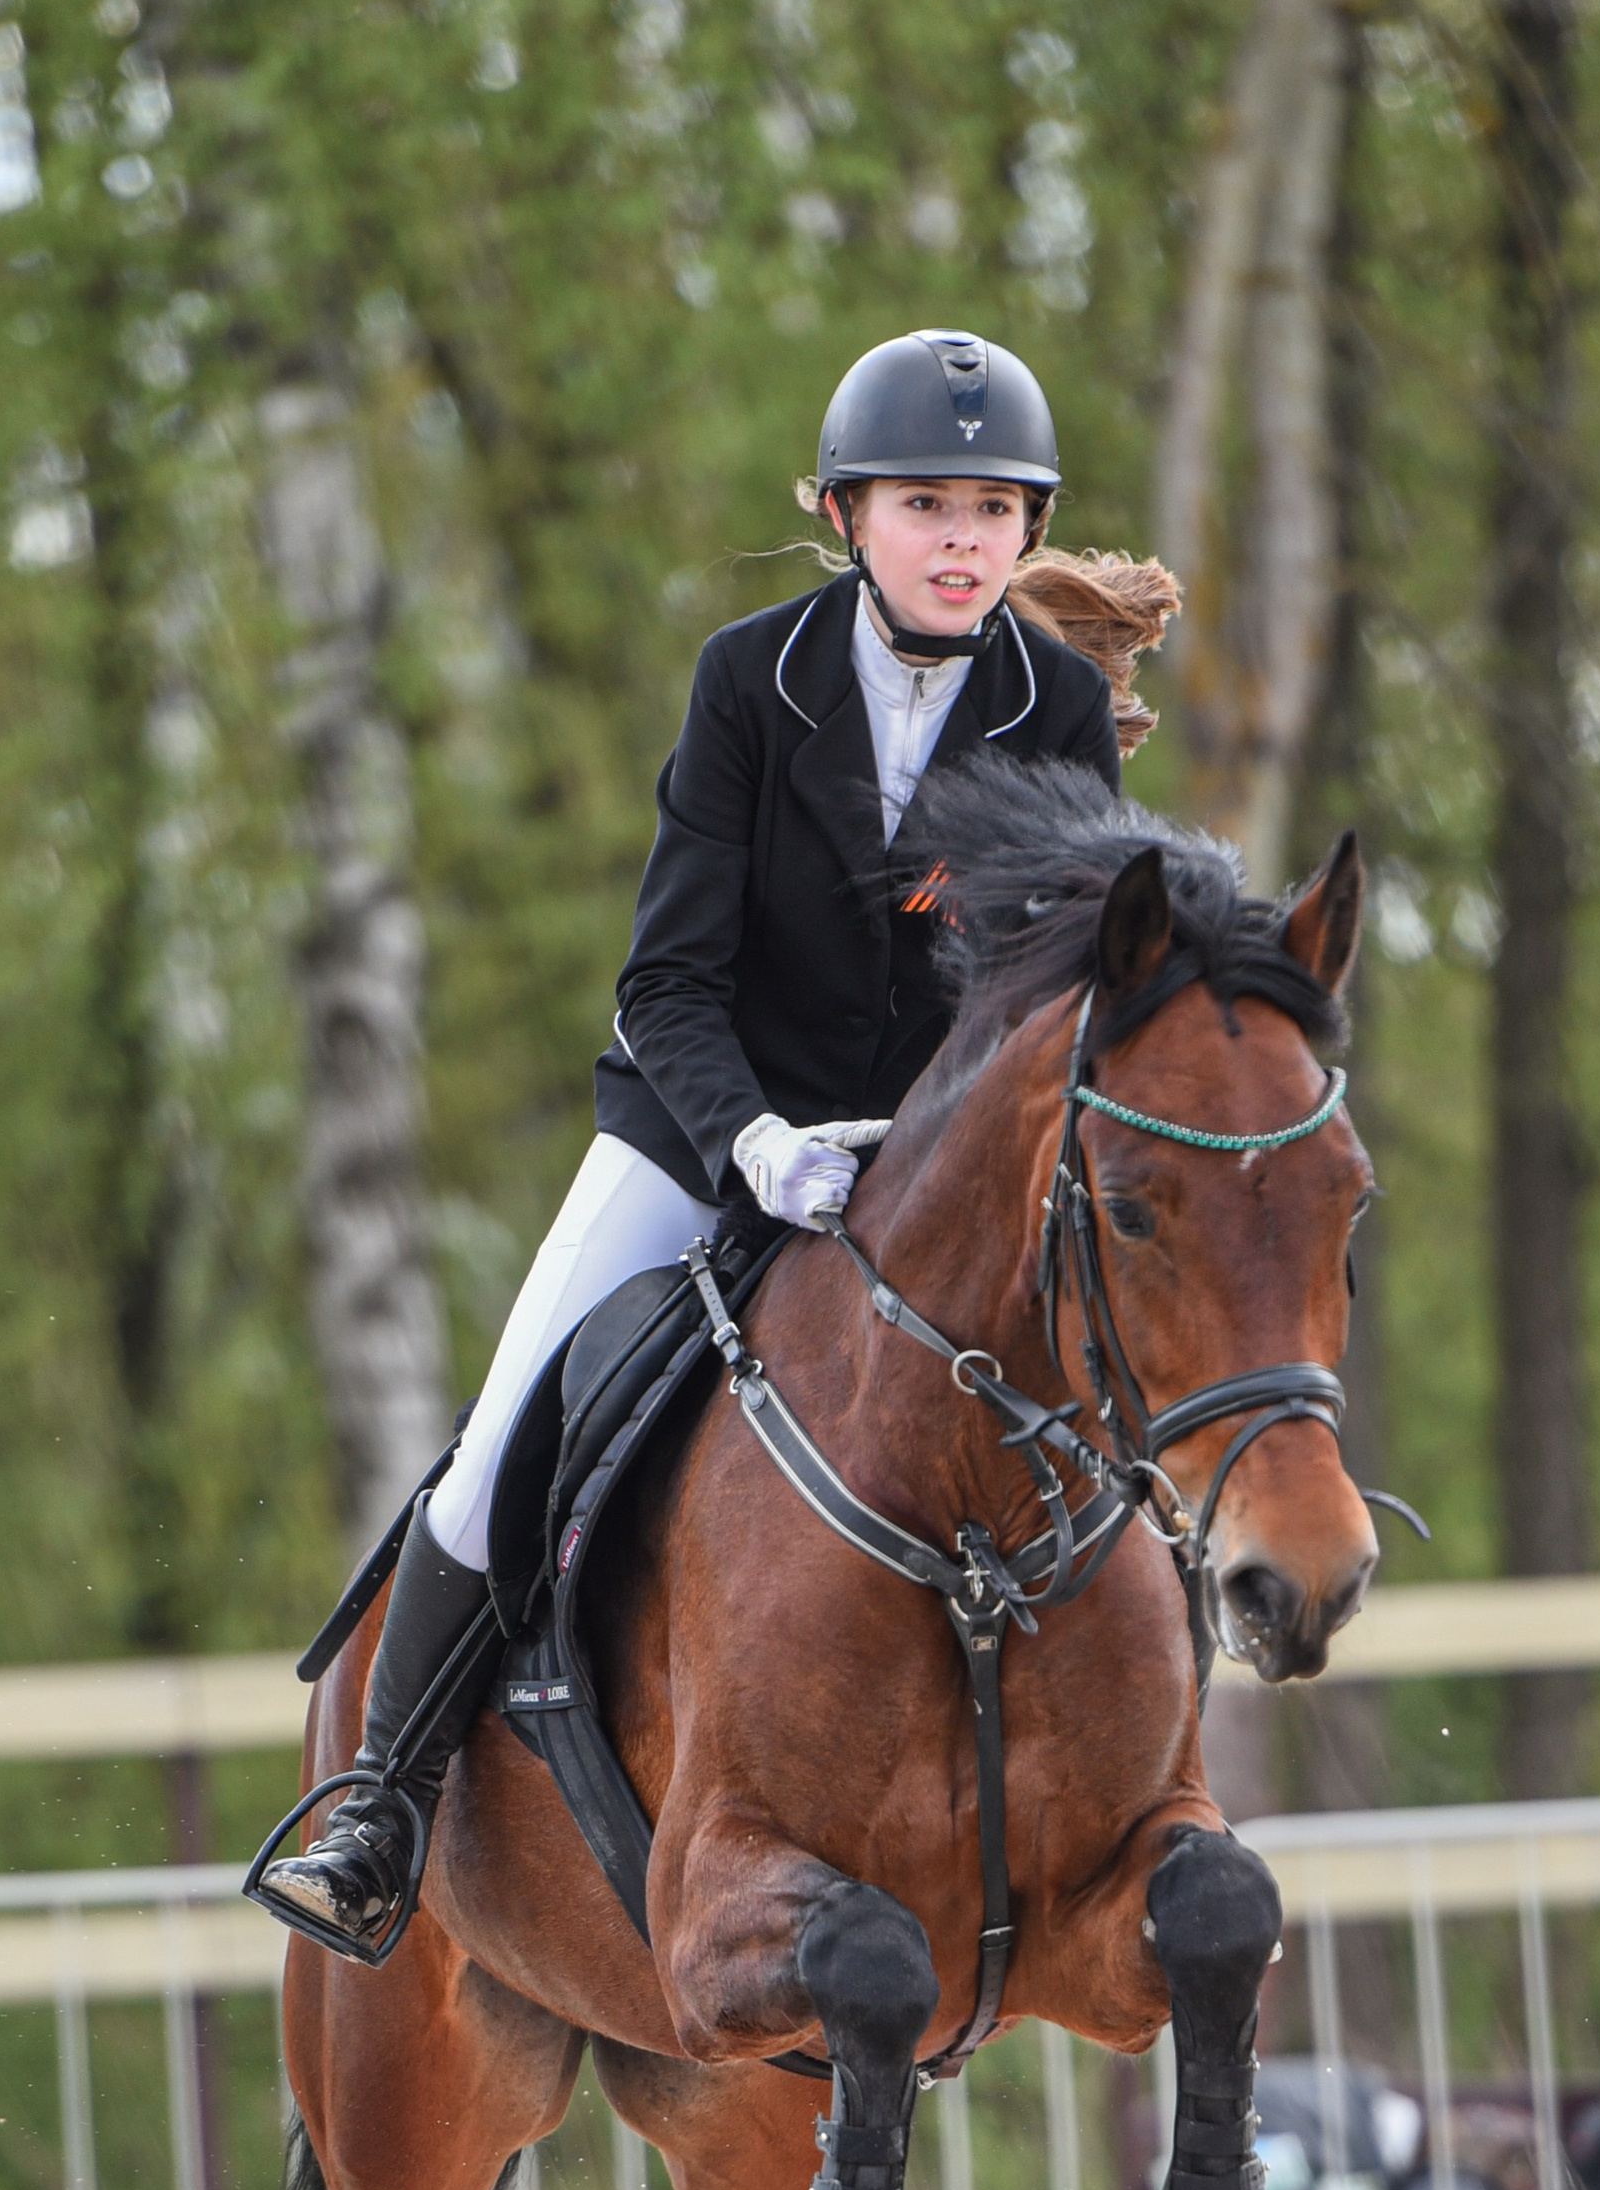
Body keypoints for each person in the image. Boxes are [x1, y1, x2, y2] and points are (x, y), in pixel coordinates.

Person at [259, 328, 1124, 1959]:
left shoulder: (1057, 704)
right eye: (926, 505)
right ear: (843, 514)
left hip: (928, 1164)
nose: (962, 541)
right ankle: (381, 1803)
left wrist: (946, 1146)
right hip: (704, 1120)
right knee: (505, 1431)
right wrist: (757, 1143)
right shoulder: (751, 678)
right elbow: (666, 979)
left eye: (995, 512)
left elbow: (1048, 988)